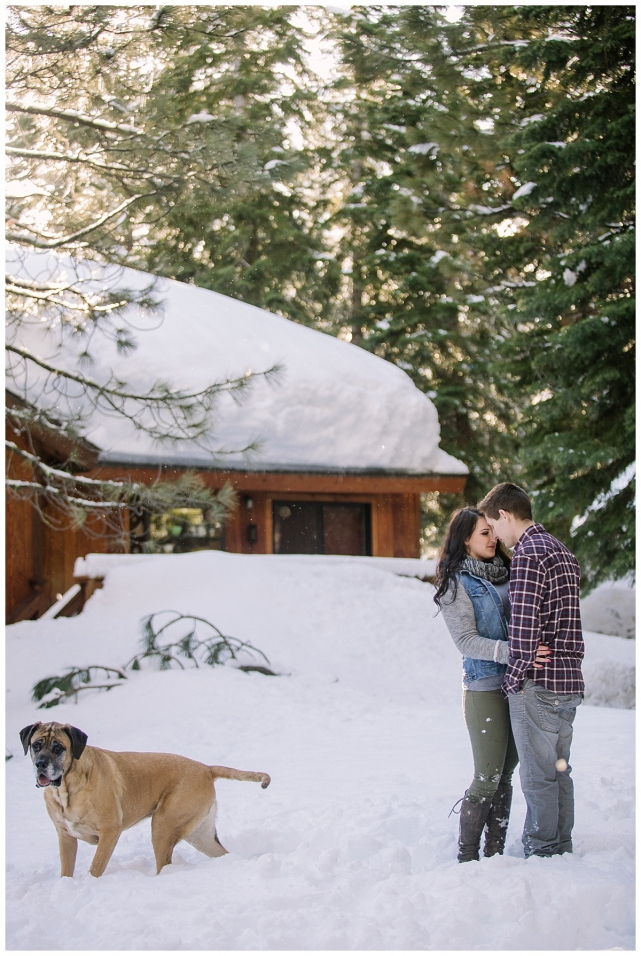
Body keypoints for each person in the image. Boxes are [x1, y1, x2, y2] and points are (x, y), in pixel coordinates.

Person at [434, 507, 549, 863]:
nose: (493, 537)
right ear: (464, 538)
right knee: (487, 775)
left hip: (518, 685)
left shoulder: (510, 571)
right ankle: (467, 856)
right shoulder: (456, 584)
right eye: (484, 533)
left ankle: (495, 853)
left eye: (492, 531)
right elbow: (466, 641)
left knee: (506, 774)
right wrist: (515, 651)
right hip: (484, 687)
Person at [478, 482, 584, 858]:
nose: (497, 537)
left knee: (538, 774)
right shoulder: (562, 551)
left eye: (494, 526)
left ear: (505, 515)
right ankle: (561, 844)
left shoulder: (528, 554)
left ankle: (542, 850)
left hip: (538, 686)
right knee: (559, 770)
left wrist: (511, 682)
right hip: (569, 680)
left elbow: (524, 629)